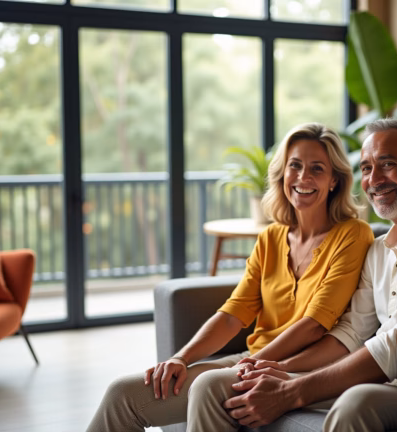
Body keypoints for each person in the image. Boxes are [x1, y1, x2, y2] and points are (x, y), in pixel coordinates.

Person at [221, 118, 397, 431]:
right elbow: (351, 333)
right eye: (365, 167)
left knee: (356, 404)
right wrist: (281, 370)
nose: (374, 179)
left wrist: (291, 390)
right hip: (390, 384)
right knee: (221, 387)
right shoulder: (378, 251)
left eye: (387, 164)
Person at [86, 123, 374, 432]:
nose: (303, 177)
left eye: (317, 169)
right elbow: (232, 315)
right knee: (122, 395)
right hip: (253, 356)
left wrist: (250, 363)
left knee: (208, 383)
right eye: (295, 165)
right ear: (282, 173)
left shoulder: (353, 234)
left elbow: (314, 325)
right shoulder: (271, 238)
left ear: (334, 181)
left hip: (300, 367)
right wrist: (181, 358)